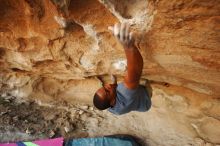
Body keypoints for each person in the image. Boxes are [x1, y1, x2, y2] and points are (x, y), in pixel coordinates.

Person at [93, 23, 151, 115]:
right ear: (112, 102)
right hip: (146, 98)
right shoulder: (125, 94)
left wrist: (114, 83)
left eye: (104, 87)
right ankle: (146, 87)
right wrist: (129, 47)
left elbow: (110, 97)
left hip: (142, 107)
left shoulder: (112, 109)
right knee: (140, 79)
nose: (107, 85)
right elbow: (136, 73)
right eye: (107, 91)